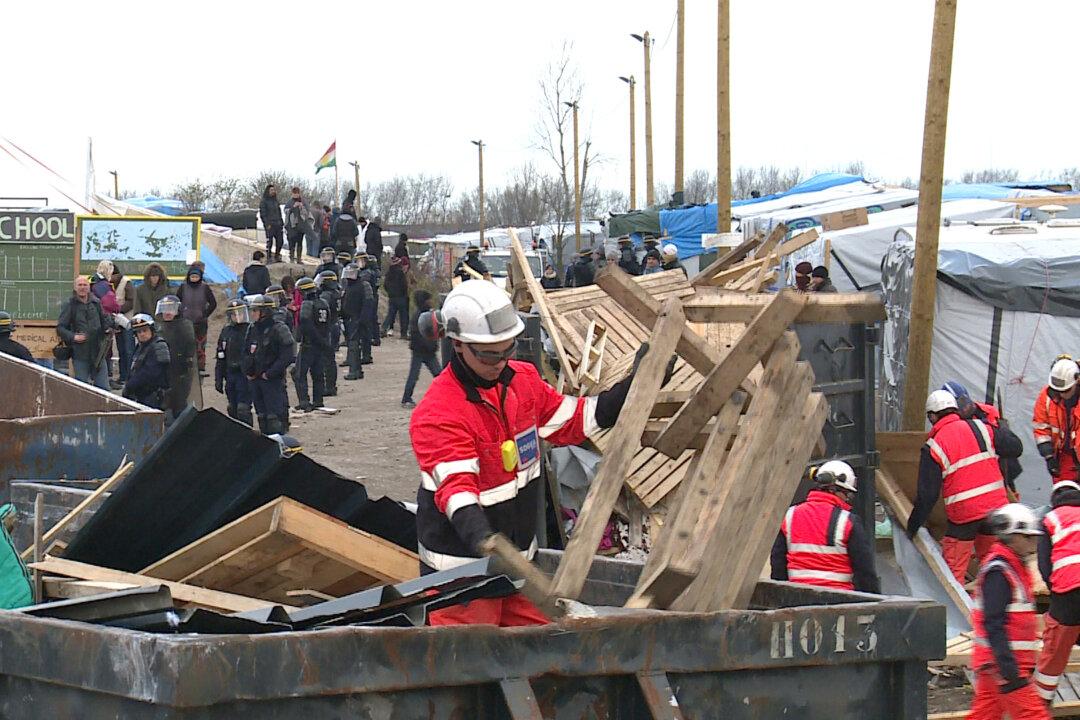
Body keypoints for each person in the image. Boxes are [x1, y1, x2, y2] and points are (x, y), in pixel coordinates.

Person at [409, 280, 671, 625]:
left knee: (547, 655)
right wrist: (483, 538)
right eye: (490, 355)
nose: (502, 362)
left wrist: (637, 384)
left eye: (508, 351)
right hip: (462, 583)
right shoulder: (439, 412)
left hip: (518, 572)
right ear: (458, 344)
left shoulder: (523, 382)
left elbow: (580, 419)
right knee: (475, 672)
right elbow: (457, 491)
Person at [909, 390, 1022, 583]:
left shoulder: (934, 446)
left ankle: (958, 614)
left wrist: (912, 527)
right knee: (998, 568)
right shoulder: (982, 427)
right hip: (996, 511)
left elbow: (927, 496)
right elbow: (1015, 447)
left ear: (932, 416)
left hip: (964, 517)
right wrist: (1002, 429)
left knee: (953, 579)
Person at [966, 504, 1048, 720]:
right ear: (1012, 536)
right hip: (1004, 663)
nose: (1034, 542)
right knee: (1033, 715)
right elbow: (993, 622)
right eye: (1028, 537)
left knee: (985, 715)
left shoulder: (1010, 566)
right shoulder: (999, 570)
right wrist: (1008, 667)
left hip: (1000, 663)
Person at [770, 460, 879, 593]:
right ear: (835, 490)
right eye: (847, 494)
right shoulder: (847, 522)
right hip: (841, 602)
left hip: (795, 597)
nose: (847, 499)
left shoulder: (789, 516)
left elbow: (778, 564)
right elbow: (865, 571)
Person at [1034, 481, 1080, 702]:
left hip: (1068, 591)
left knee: (1055, 651)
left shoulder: (1050, 519)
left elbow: (1044, 565)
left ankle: (1041, 705)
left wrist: (1057, 593)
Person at [942, 380, 1023, 497]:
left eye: (965, 401)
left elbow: (1010, 445)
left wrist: (1004, 430)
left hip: (1001, 469)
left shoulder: (987, 411)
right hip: (976, 476)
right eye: (960, 406)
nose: (965, 408)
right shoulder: (953, 427)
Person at [243, 294, 296, 434]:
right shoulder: (252, 329)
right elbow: (246, 352)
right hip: (256, 380)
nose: (252, 314)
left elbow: (288, 355)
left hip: (272, 380)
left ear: (265, 312)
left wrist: (270, 373)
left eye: (255, 310)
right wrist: (249, 372)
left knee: (274, 418)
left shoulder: (279, 328)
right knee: (261, 416)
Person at [57, 276, 113, 389]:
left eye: (85, 285)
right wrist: (74, 337)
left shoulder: (96, 303)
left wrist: (110, 327)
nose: (82, 287)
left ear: (89, 287)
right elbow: (60, 328)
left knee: (104, 389)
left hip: (98, 353)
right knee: (82, 389)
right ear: (75, 287)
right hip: (80, 354)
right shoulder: (70, 305)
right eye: (80, 285)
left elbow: (105, 323)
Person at [1034, 357, 1080, 486]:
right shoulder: (1046, 396)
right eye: (1059, 391)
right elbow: (1041, 427)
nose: (1062, 395)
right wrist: (1048, 456)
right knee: (1065, 496)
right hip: (1064, 458)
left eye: (1065, 391)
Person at [155, 295, 196, 423]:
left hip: (179, 372)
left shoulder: (184, 326)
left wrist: (184, 365)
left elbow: (190, 348)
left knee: (179, 405)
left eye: (171, 309)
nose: (167, 313)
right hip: (163, 372)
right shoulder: (160, 327)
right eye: (165, 309)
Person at [213, 299, 253, 426]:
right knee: (232, 408)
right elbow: (220, 356)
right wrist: (218, 378)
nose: (237, 317)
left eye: (240, 313)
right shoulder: (226, 332)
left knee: (243, 408)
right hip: (230, 373)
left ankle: (248, 431)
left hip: (245, 374)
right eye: (234, 314)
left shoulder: (250, 330)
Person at [292, 277, 329, 413]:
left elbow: (305, 321)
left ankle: (304, 402)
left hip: (308, 344)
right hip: (321, 344)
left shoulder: (307, 304)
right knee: (318, 374)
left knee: (299, 373)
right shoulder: (323, 303)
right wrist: (323, 340)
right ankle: (318, 401)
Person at [121, 314, 170, 410]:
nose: (142, 334)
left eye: (145, 330)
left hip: (155, 397)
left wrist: (130, 385)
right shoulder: (140, 347)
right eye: (139, 332)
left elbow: (150, 373)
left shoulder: (159, 346)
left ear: (151, 330)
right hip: (141, 396)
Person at [401, 289, 439, 408]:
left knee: (439, 374)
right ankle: (406, 398)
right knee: (414, 375)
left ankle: (446, 396)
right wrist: (429, 345)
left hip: (428, 351)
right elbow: (417, 336)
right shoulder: (418, 317)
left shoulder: (428, 314)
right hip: (420, 351)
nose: (431, 302)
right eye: (428, 300)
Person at [176, 264, 217, 377]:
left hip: (201, 323)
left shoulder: (205, 288)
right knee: (185, 345)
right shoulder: (183, 287)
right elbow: (176, 302)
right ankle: (185, 367)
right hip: (185, 322)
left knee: (200, 346)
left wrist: (205, 314)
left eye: (196, 277)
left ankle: (200, 368)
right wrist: (180, 315)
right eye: (192, 277)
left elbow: (213, 303)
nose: (194, 279)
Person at [317, 270, 341, 397]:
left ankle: (329, 386)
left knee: (327, 359)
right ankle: (331, 385)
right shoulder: (336, 293)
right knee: (330, 358)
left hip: (329, 328)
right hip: (335, 326)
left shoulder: (326, 295)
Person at [340, 263, 367, 381]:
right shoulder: (349, 286)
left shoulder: (360, 286)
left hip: (356, 318)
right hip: (349, 317)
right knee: (353, 344)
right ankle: (358, 370)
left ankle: (353, 370)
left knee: (353, 345)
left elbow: (366, 304)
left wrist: (362, 319)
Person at [382, 255, 410, 338]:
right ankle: (403, 334)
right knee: (403, 316)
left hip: (392, 297)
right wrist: (404, 294)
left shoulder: (388, 273)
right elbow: (404, 285)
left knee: (390, 315)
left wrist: (390, 293)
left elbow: (385, 285)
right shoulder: (400, 273)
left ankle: (383, 329)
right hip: (401, 297)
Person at [361, 254, 382, 351]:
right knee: (373, 317)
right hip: (374, 294)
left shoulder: (370, 272)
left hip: (371, 295)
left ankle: (373, 338)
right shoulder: (376, 272)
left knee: (371, 318)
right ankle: (376, 338)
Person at [284, 187, 310, 264]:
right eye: (294, 193)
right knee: (291, 242)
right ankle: (291, 257)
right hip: (291, 226)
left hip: (301, 225)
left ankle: (299, 258)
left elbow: (307, 212)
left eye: (297, 193)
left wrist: (302, 207)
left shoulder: (303, 201)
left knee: (300, 242)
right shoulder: (289, 202)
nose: (295, 195)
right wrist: (293, 207)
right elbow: (286, 211)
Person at [259, 184, 284, 263]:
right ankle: (269, 257)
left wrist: (281, 222)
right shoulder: (264, 201)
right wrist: (266, 224)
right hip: (270, 224)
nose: (273, 192)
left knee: (280, 241)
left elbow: (279, 212)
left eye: (274, 190)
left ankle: (277, 255)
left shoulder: (276, 201)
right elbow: (263, 214)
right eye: (271, 190)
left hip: (278, 224)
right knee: (269, 242)